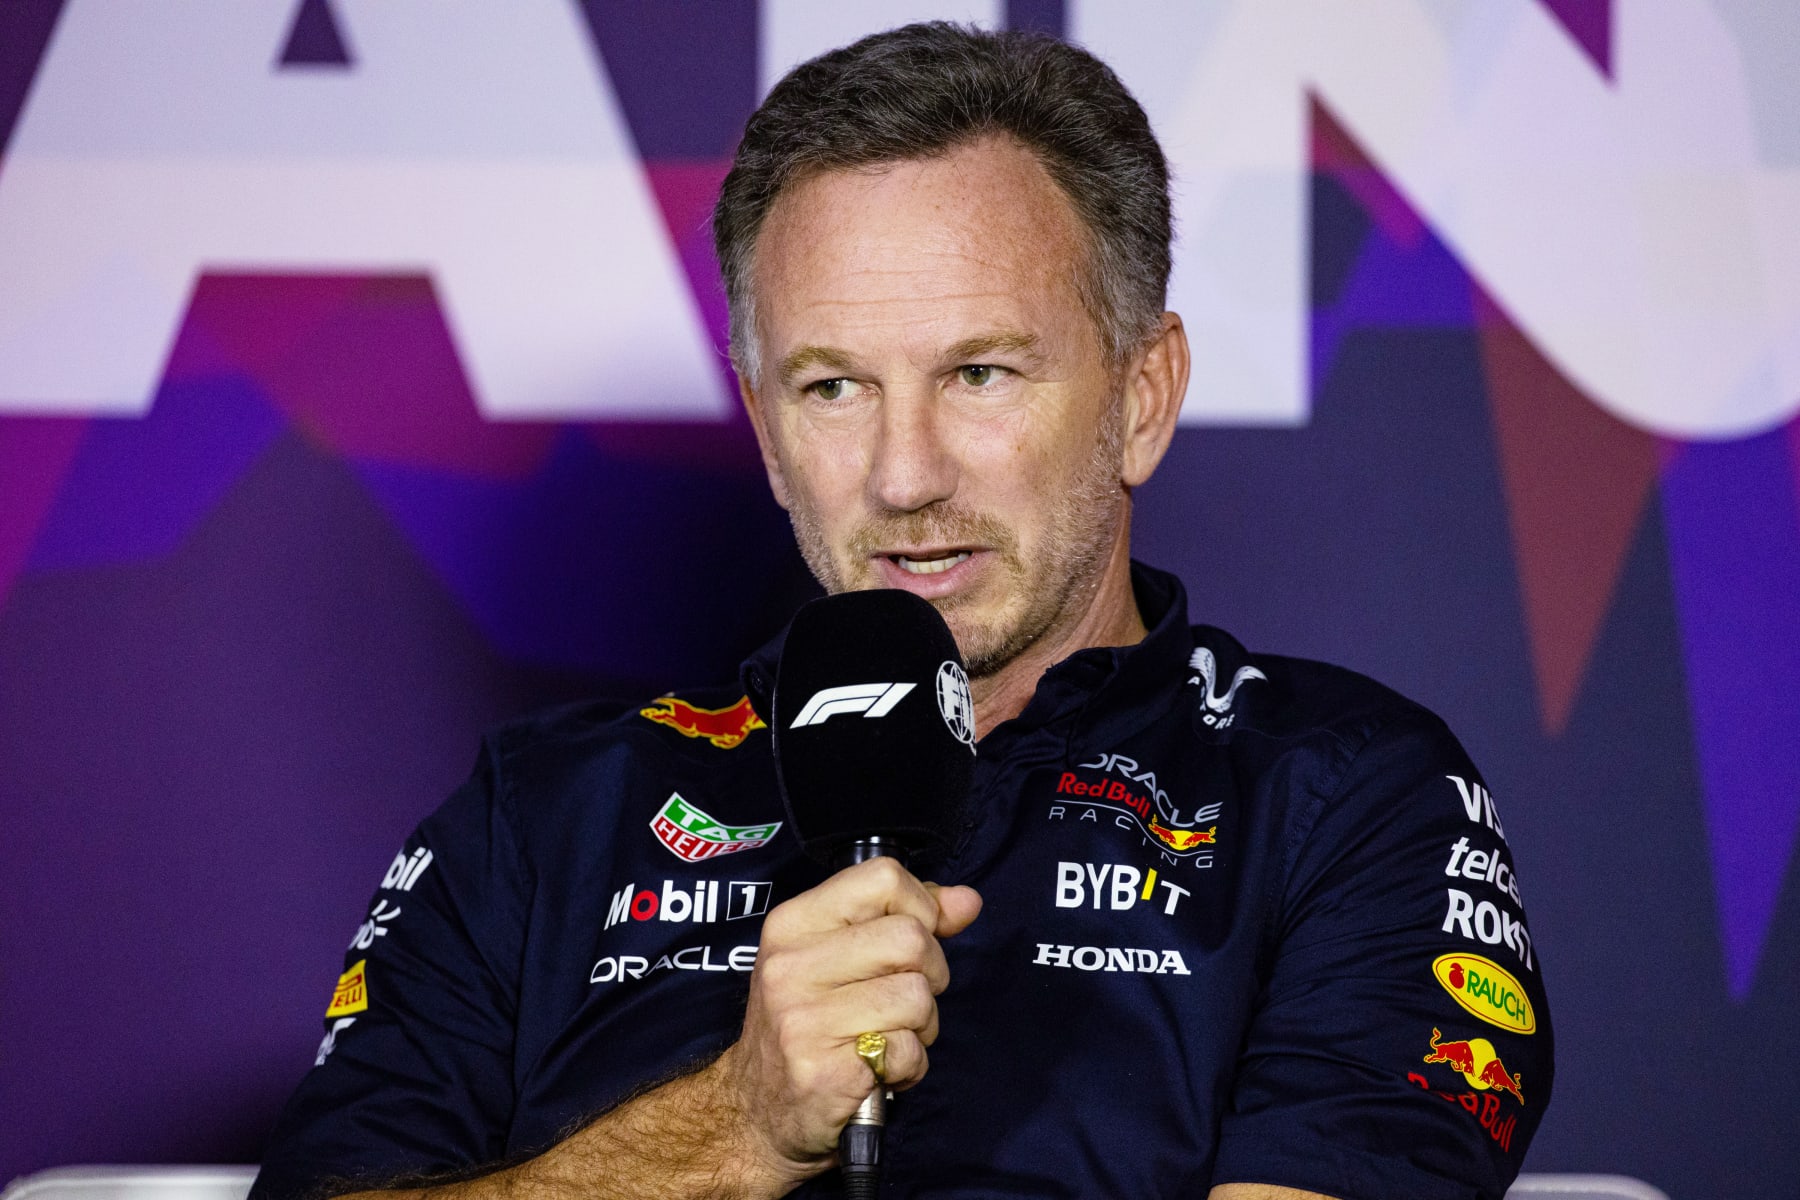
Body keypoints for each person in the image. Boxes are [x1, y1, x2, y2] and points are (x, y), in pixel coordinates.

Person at [252, 22, 1552, 1200]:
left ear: (1141, 398)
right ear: (765, 433)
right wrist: (733, 1130)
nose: (904, 474)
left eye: (979, 374)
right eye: (832, 390)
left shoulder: (1343, 797)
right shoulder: (546, 813)